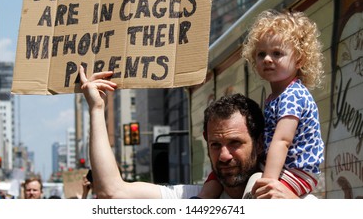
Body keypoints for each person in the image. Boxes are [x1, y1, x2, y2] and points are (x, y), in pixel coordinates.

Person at [79, 66, 301, 199]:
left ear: (261, 143)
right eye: (215, 145)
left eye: (235, 143)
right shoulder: (191, 199)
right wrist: (96, 108)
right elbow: (113, 192)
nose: (224, 155)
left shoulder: (293, 201)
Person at [199, 9, 325, 198]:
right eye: (261, 54)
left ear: (299, 59)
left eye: (277, 53)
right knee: (224, 172)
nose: (267, 59)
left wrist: (268, 180)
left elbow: (282, 141)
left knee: (257, 189)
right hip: (286, 167)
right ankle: (198, 203)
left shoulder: (292, 95)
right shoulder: (277, 95)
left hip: (297, 171)